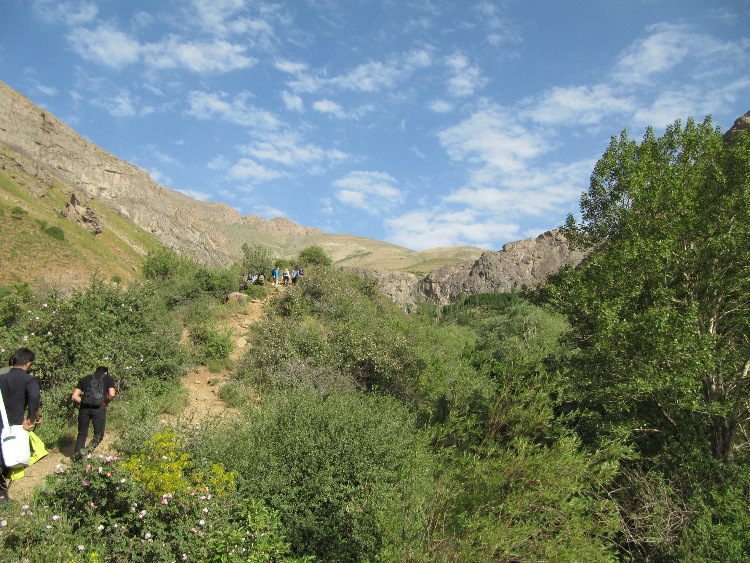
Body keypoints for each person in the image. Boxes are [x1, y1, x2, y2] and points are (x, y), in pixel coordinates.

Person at [0, 348, 41, 500]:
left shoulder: (1, 378)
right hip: (15, 427)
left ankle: (3, 493)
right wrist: (32, 418)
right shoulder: (30, 380)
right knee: (13, 459)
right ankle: (2, 496)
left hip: (1, 423)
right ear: (28, 364)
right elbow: (34, 397)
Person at [71, 366, 116, 461]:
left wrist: (84, 402)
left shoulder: (85, 378)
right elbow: (112, 394)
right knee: (98, 435)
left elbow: (74, 396)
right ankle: (86, 454)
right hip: (99, 409)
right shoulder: (108, 378)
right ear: (106, 373)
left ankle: (78, 458)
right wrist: (105, 402)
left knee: (82, 434)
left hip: (84, 409)